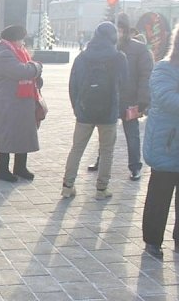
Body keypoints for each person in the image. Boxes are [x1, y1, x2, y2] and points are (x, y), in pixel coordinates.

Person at [62, 21, 128, 199]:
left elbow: (72, 85)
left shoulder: (82, 57)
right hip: (109, 113)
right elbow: (124, 85)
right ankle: (101, 189)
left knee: (77, 149)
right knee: (107, 151)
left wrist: (77, 108)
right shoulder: (119, 57)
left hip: (84, 111)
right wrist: (120, 109)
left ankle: (67, 186)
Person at [86, 14, 153, 180]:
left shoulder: (139, 49)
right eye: (117, 30)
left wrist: (143, 100)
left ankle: (135, 166)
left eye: (121, 30)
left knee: (132, 135)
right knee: (105, 132)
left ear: (127, 31)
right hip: (108, 98)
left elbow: (146, 75)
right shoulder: (107, 48)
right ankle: (100, 161)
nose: (119, 34)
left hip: (130, 100)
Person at [142, 25, 179, 258]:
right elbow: (167, 99)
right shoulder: (164, 69)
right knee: (159, 196)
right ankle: (153, 241)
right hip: (167, 144)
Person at [0, 25, 43, 182]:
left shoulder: (17, 52)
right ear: (15, 39)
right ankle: (1, 169)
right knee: (7, 135)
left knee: (22, 134)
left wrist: (34, 72)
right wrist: (36, 67)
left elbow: (28, 70)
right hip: (8, 102)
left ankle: (20, 167)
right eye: (21, 39)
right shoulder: (4, 54)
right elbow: (22, 71)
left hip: (21, 101)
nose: (23, 43)